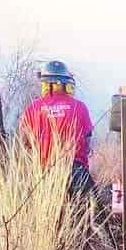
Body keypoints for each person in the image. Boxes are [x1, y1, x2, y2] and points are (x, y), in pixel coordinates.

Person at [19, 59, 95, 199]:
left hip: (43, 174)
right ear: (67, 84)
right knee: (83, 215)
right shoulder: (80, 107)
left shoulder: (32, 109)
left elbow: (25, 143)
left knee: (47, 216)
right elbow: (87, 141)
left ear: (45, 84)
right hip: (75, 172)